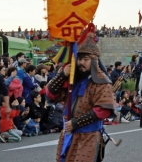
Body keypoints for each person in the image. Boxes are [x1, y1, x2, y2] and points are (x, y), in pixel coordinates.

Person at [45, 26, 116, 162]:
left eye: (86, 59)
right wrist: (62, 75)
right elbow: (50, 95)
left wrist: (77, 122)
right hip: (68, 134)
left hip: (88, 136)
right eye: (79, 59)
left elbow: (103, 110)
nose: (81, 62)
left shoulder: (102, 82)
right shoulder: (72, 80)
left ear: (94, 61)